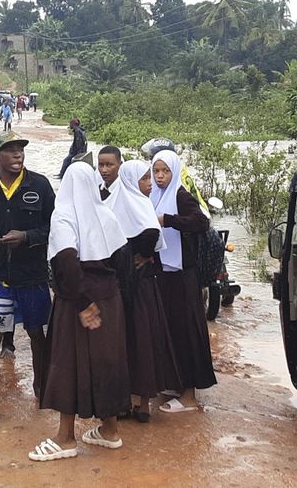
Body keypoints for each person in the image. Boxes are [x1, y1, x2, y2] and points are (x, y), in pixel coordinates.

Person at [30, 162, 129, 461]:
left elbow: (67, 262)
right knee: (106, 362)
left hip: (76, 302)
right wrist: (106, 297)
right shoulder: (106, 214)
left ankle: (65, 438)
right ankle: (110, 430)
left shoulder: (63, 216)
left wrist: (83, 302)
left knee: (67, 363)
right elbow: (123, 260)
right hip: (109, 300)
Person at [0, 131, 56, 430]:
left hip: (32, 275)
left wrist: (27, 236)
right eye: (11, 150)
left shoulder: (40, 186)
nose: (18, 155)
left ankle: (42, 393)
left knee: (36, 335)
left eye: (20, 150)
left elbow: (54, 228)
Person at [109, 158, 181, 422]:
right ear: (130, 180)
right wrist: (143, 254)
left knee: (136, 340)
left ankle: (135, 404)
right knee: (139, 339)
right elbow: (149, 233)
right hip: (138, 286)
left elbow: (138, 236)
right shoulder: (134, 204)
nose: (150, 184)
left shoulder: (121, 204)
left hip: (133, 286)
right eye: (145, 179)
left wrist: (140, 255)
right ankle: (139, 404)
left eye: (151, 178)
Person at [150, 149, 215, 411]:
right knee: (168, 328)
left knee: (187, 330)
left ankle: (189, 396)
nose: (160, 176)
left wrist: (169, 220)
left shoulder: (180, 195)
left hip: (182, 276)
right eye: (156, 171)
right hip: (164, 273)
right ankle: (175, 381)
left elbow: (201, 222)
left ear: (174, 171)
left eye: (165, 171)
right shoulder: (155, 195)